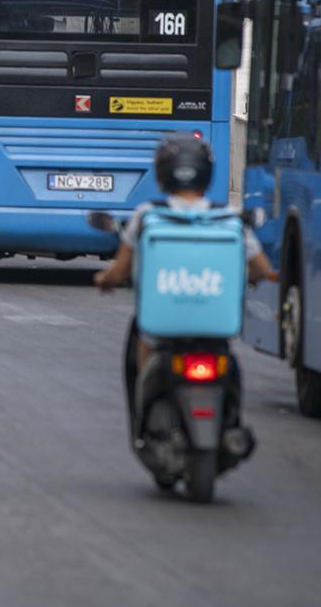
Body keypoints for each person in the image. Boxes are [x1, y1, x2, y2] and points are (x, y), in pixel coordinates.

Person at [94, 135, 276, 424]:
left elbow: (121, 270)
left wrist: (104, 279)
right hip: (217, 332)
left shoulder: (147, 216)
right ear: (207, 174)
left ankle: (146, 414)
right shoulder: (229, 219)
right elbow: (263, 269)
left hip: (162, 332)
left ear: (162, 174)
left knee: (145, 341)